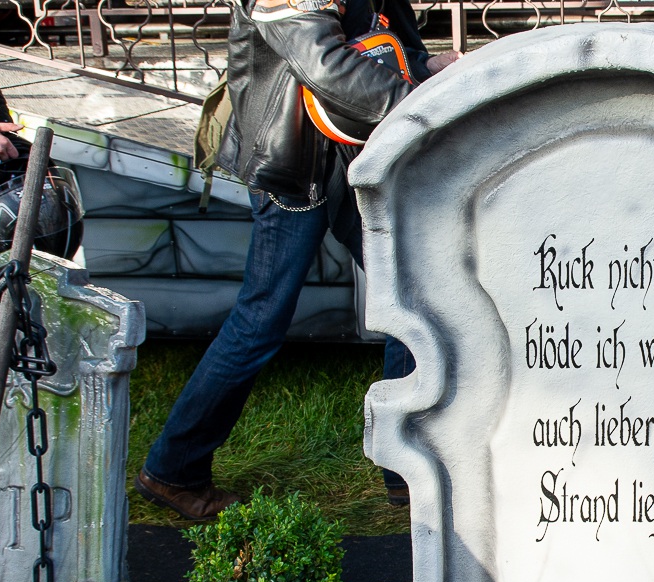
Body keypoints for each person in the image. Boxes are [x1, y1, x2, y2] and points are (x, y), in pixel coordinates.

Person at [135, 0, 459, 520]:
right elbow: (327, 66)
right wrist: (428, 109)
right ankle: (173, 470)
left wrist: (428, 67)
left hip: (353, 150)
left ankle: (406, 467)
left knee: (413, 291)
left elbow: (384, 47)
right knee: (260, 319)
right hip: (291, 164)